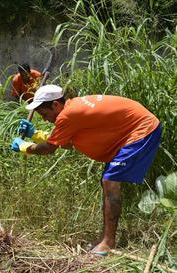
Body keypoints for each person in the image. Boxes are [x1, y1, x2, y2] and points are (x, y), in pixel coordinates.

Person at [11, 85, 161, 256]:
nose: (45, 120)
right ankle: (105, 239)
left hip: (142, 130)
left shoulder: (68, 114)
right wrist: (35, 134)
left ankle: (108, 243)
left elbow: (49, 149)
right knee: (107, 181)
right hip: (133, 130)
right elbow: (65, 143)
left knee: (110, 181)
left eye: (44, 115)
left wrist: (24, 147)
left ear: (55, 105)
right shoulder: (72, 109)